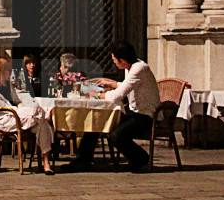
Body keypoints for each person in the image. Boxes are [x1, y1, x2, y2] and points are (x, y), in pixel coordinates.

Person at [63, 41, 158, 173]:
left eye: (115, 60)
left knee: (115, 136)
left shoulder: (139, 69)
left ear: (123, 60)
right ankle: (83, 160)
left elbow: (116, 96)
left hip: (144, 118)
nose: (114, 63)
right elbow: (129, 85)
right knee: (96, 119)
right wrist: (112, 83)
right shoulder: (131, 67)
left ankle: (140, 158)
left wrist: (97, 94)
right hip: (133, 114)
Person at [0, 56, 54, 174]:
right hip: (5, 120)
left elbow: (18, 100)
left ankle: (46, 162)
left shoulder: (8, 85)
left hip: (19, 117)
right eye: (7, 70)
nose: (10, 73)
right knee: (36, 112)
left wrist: (26, 105)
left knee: (42, 123)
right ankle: (45, 115)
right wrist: (27, 110)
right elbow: (6, 109)